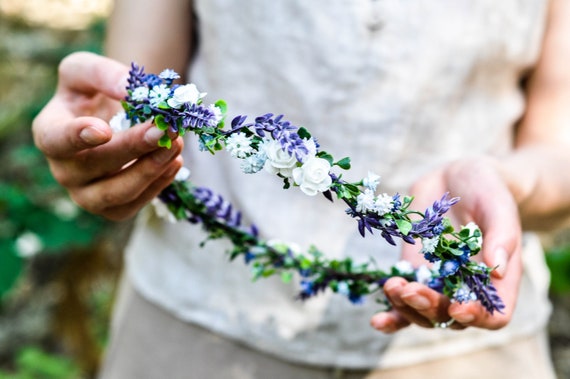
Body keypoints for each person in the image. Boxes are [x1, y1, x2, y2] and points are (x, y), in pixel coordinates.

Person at [32, 0, 570, 378]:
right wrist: (102, 136)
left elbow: (558, 149)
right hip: (199, 323)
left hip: (467, 352)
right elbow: (133, 82)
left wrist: (507, 185)